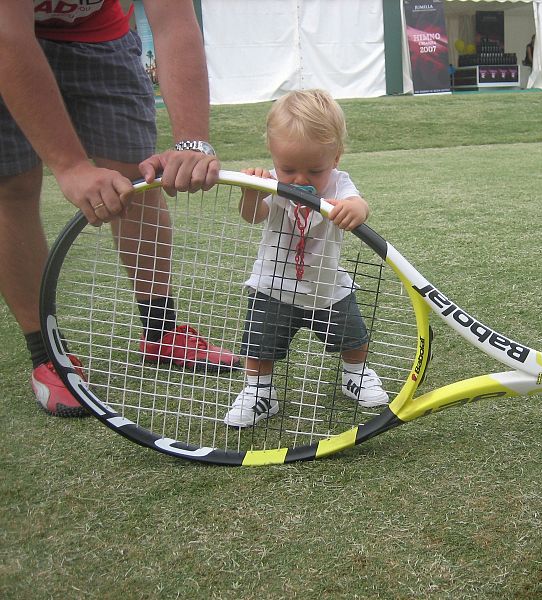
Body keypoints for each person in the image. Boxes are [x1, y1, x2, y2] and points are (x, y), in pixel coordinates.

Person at [0, 1, 238, 419]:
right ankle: (47, 353)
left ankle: (161, 332)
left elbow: (174, 21)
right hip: (8, 33)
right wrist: (70, 166)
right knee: (11, 187)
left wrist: (192, 141)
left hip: (99, 33)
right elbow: (7, 34)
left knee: (136, 178)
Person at [223, 89, 389, 428]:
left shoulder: (339, 184)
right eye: (288, 168)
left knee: (354, 338)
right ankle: (259, 393)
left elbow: (359, 204)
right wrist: (251, 192)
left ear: (336, 158)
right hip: (272, 287)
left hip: (327, 288)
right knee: (258, 347)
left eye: (314, 170)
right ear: (273, 153)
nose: (300, 180)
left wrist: (356, 208)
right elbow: (253, 215)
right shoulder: (269, 183)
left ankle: (355, 375)